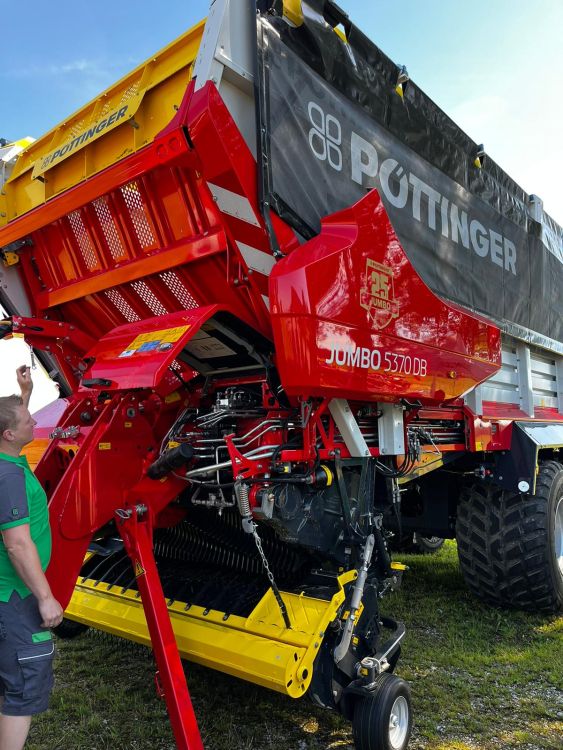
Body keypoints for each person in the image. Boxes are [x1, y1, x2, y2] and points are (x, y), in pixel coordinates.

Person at [0, 365, 63, 750]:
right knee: (22, 687)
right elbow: (18, 544)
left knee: (6, 677)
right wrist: (45, 596)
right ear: (9, 434)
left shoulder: (6, 458)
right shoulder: (7, 478)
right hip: (15, 598)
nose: (36, 421)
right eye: (27, 419)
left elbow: (12, 426)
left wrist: (25, 392)